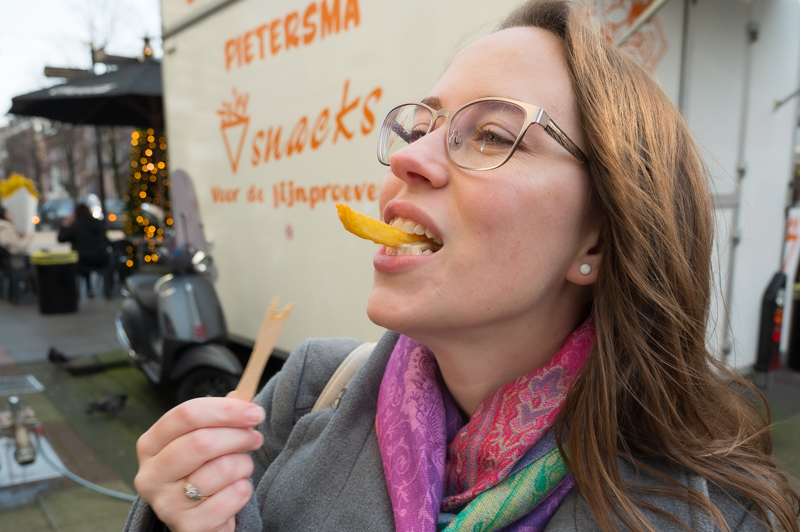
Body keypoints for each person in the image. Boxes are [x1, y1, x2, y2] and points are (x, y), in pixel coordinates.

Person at [125, 1, 800, 531]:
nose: (408, 158)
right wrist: (184, 517)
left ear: (595, 240)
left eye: (493, 135)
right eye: (420, 127)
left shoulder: (723, 517)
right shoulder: (309, 391)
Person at [57, 203, 109, 298]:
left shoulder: (76, 225)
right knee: (85, 258)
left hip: (82, 261)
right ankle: (90, 288)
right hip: (100, 259)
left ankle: (87, 289)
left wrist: (64, 225)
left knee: (81, 260)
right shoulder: (98, 223)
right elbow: (106, 241)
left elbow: (61, 238)